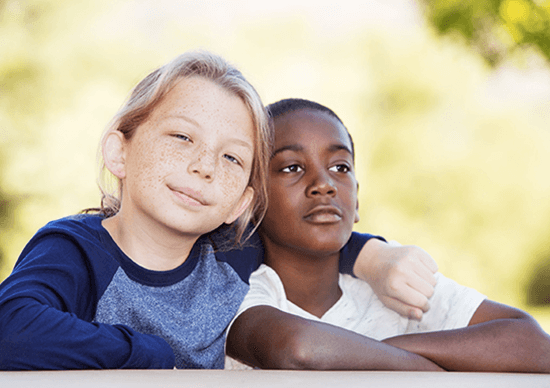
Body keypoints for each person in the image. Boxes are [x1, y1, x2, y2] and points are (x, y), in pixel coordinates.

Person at [0, 52, 437, 370]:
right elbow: (12, 328)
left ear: (242, 203)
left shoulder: (231, 255)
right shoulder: (76, 251)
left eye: (231, 158)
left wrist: (373, 257)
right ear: (119, 152)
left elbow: (299, 237)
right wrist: (151, 354)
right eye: (182, 138)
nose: (204, 166)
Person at [225, 98, 550, 372]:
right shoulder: (234, 288)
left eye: (340, 167)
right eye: (292, 168)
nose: (324, 183)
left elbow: (535, 345)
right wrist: (432, 369)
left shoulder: (391, 281)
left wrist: (391, 350)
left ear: (357, 199)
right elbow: (297, 348)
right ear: (250, 200)